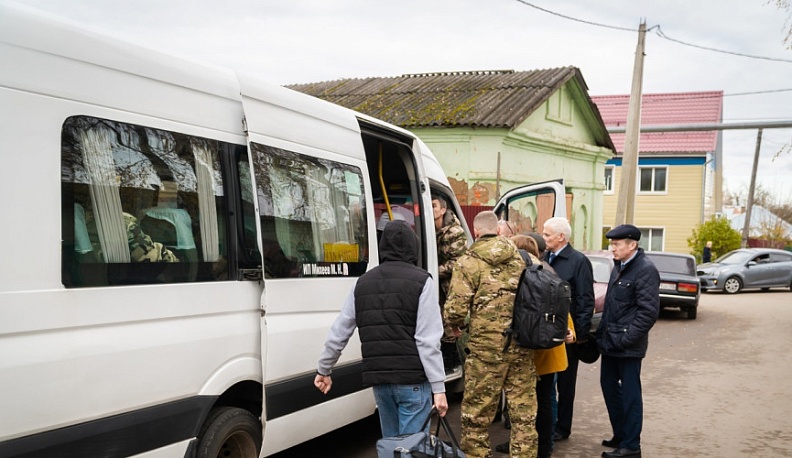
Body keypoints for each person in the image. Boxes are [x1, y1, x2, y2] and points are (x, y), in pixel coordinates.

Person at [314, 220, 448, 438]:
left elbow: (340, 330)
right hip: (413, 381)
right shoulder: (422, 282)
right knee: (412, 449)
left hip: (381, 382)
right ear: (413, 247)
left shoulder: (362, 283)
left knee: (392, 445)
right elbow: (427, 341)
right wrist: (439, 388)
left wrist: (324, 369)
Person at [444, 211, 537, 457]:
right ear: (497, 230)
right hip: (521, 344)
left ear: (475, 232)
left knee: (476, 415)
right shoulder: (522, 258)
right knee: (524, 415)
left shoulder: (467, 261)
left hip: (485, 350)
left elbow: (455, 310)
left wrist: (455, 326)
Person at [496, 234, 575, 458]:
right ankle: (534, 445)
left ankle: (543, 447)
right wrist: (569, 333)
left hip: (540, 350)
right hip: (549, 346)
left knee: (542, 400)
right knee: (535, 400)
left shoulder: (533, 274)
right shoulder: (547, 271)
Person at [596, 224, 660, 458]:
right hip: (611, 343)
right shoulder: (619, 266)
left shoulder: (644, 269)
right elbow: (612, 307)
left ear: (632, 245)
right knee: (610, 389)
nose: (612, 248)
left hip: (627, 347)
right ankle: (621, 434)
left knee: (631, 395)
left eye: (616, 244)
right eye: (611, 244)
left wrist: (625, 339)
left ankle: (631, 446)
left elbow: (648, 312)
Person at [541, 216, 594, 442]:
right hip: (545, 332)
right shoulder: (544, 258)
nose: (543, 237)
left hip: (567, 335)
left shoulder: (578, 261)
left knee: (565, 384)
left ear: (561, 237)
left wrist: (579, 335)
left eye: (547, 234)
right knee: (546, 383)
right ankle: (547, 424)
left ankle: (562, 427)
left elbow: (585, 299)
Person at [432, 194, 468, 371]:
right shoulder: (428, 228)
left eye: (434, 206)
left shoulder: (455, 232)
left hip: (450, 287)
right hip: (436, 286)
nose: (431, 210)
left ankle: (452, 364)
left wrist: (433, 271)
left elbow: (458, 263)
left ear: (443, 209)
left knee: (449, 326)